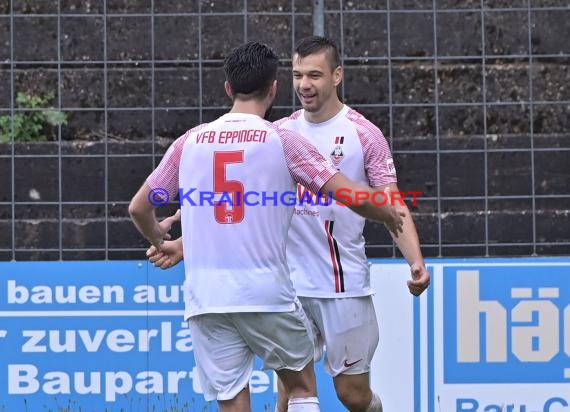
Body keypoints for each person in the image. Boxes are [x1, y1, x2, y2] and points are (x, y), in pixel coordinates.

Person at [128, 41, 406, 412]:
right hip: (264, 291)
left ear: (228, 88)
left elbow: (139, 207)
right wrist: (385, 208)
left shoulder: (188, 143)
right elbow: (346, 194)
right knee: (301, 386)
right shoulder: (282, 139)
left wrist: (160, 239)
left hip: (206, 297)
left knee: (232, 401)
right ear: (275, 88)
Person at [272, 35, 431, 412]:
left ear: (337, 75)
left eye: (314, 75)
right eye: (297, 75)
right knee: (291, 390)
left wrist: (416, 262)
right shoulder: (279, 133)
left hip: (342, 283)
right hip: (288, 285)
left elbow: (391, 204)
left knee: (352, 396)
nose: (304, 85)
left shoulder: (364, 134)